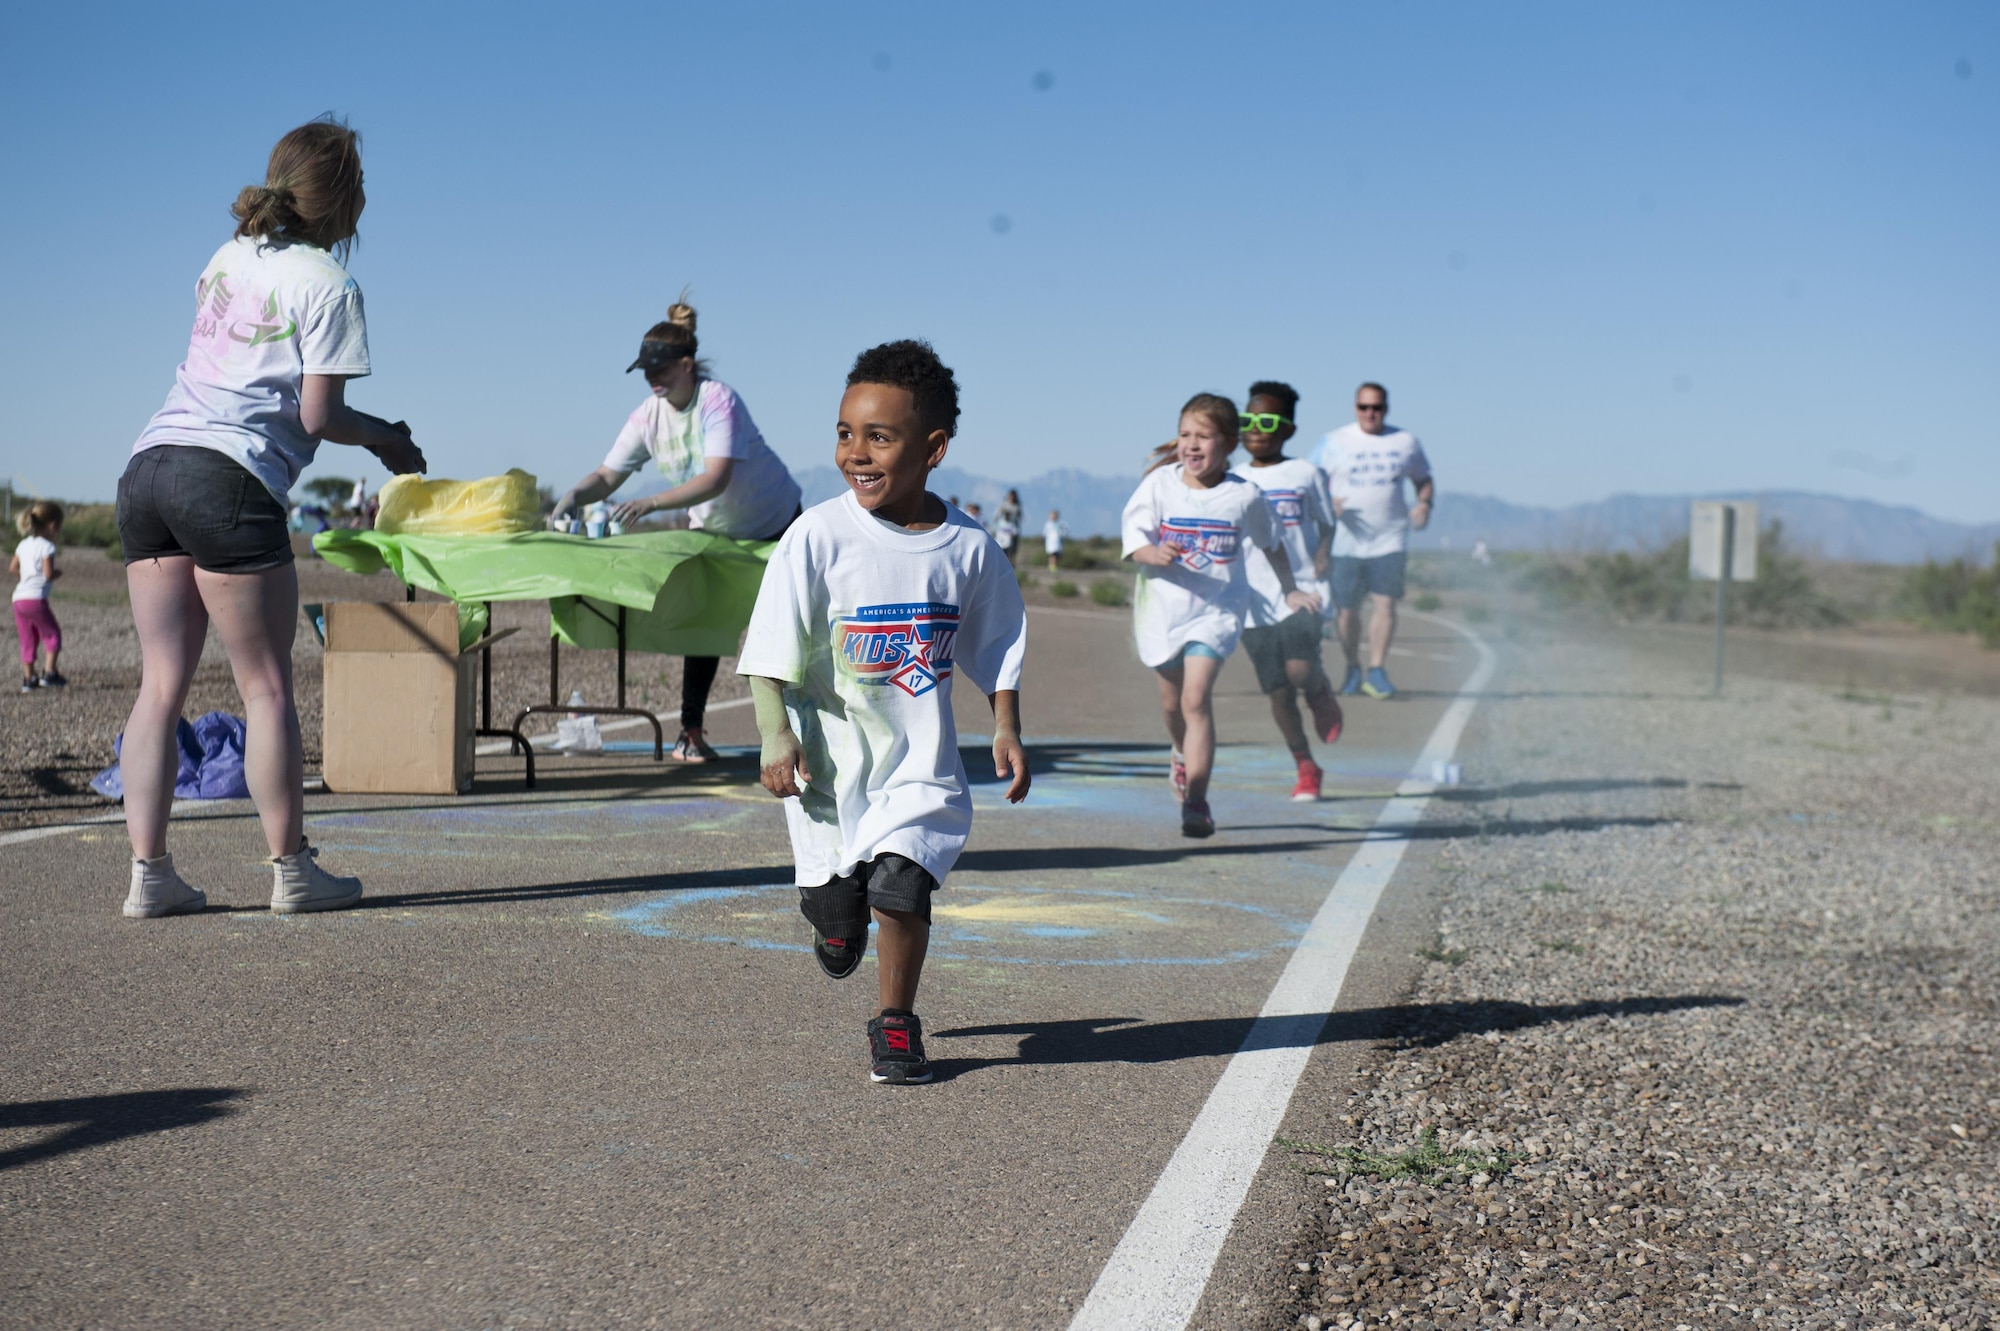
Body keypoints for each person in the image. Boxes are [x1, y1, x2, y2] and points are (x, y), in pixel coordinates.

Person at [118, 115, 424, 919]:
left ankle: (150, 877)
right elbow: (319, 415)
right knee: (266, 690)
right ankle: (293, 871)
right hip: (228, 478)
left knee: (160, 687)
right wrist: (388, 438)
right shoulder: (331, 284)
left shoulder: (225, 257)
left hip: (149, 465)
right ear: (347, 203)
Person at [739, 340, 1029, 1085]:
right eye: (844, 432)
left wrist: (1006, 724)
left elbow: (997, 643)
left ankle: (895, 1024)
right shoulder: (819, 536)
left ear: (932, 448)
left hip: (919, 769)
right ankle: (832, 913)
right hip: (830, 774)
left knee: (903, 884)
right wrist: (776, 733)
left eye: (879, 436)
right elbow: (770, 646)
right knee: (842, 911)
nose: (855, 453)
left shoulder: (966, 547)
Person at [551, 296, 802, 762]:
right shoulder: (648, 415)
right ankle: (691, 733)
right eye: (646, 372)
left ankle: (812, 729)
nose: (653, 380)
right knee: (703, 626)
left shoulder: (717, 400)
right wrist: (575, 495)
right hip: (716, 532)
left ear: (687, 365)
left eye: (661, 371)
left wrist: (650, 502)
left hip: (777, 525)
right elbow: (607, 475)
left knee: (788, 628)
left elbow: (716, 477)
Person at [1123, 393, 1318, 837]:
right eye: (1186, 435)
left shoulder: (1244, 496)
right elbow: (1135, 537)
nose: (1192, 445)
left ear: (1229, 443)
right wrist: (1153, 552)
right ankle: (1179, 751)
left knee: (1195, 699)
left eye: (1204, 436)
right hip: (1163, 612)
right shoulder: (1159, 485)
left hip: (1217, 611)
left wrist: (1290, 591)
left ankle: (1196, 801)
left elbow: (1272, 544)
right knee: (1172, 704)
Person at [1231, 382, 1343, 801]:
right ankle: (1306, 765)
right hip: (1252, 597)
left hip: (1303, 588)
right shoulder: (1232, 477)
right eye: (1248, 421)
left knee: (1298, 671)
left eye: (1268, 421)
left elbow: (1328, 523)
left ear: (1288, 429)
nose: (1256, 429)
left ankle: (1319, 689)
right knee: (1278, 689)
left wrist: (1324, 555)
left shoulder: (1305, 474)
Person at [1310, 382, 1433, 699]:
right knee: (1347, 611)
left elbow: (1423, 478)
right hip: (1346, 542)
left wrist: (1424, 503)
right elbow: (1310, 482)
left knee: (1385, 603)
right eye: (1364, 407)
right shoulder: (1333, 442)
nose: (1370, 413)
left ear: (1386, 409)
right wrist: (1326, 502)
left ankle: (1377, 670)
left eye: (1376, 408)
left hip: (1390, 538)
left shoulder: (1405, 441)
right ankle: (1353, 666)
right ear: (1355, 408)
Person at [11, 502, 65, 692]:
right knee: (52, 633)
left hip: (18, 598)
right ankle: (49, 673)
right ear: (52, 525)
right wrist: (57, 573)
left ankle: (29, 679)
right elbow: (48, 574)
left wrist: (27, 575)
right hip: (35, 599)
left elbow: (13, 567)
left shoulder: (23, 544)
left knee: (27, 637)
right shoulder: (47, 546)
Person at [994, 488, 1024, 565]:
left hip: (1012, 528)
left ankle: (1011, 561)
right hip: (1002, 528)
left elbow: (1020, 517)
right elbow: (997, 515)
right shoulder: (1004, 504)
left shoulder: (1017, 506)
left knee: (1012, 546)